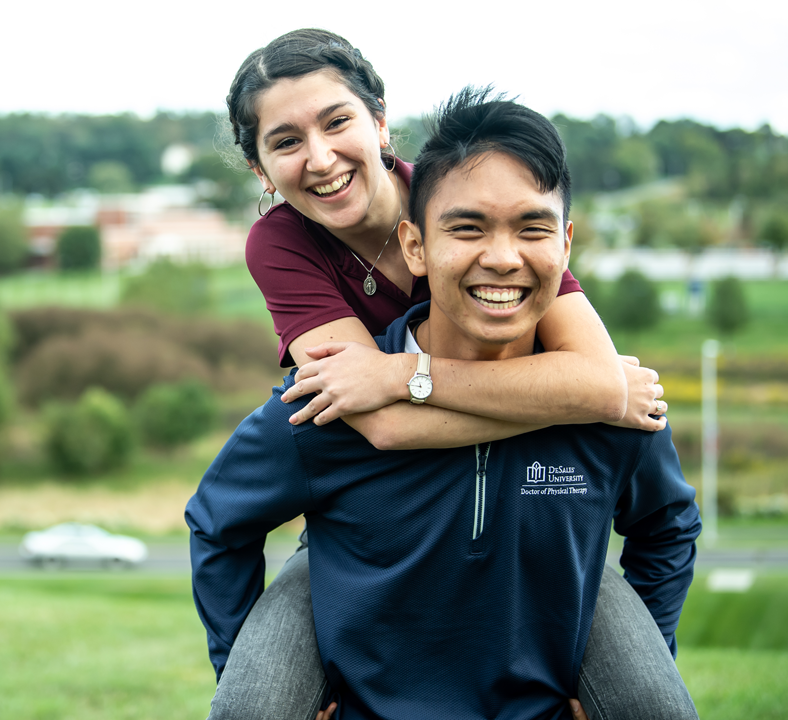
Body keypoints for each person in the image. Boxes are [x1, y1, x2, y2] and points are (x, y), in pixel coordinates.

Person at [188, 87, 701, 720]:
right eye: (468, 229)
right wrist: (251, 665)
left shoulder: (611, 408)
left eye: (532, 229)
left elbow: (668, 526)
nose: (502, 258)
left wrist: (617, 674)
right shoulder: (331, 396)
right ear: (416, 247)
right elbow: (218, 520)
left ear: (566, 245)